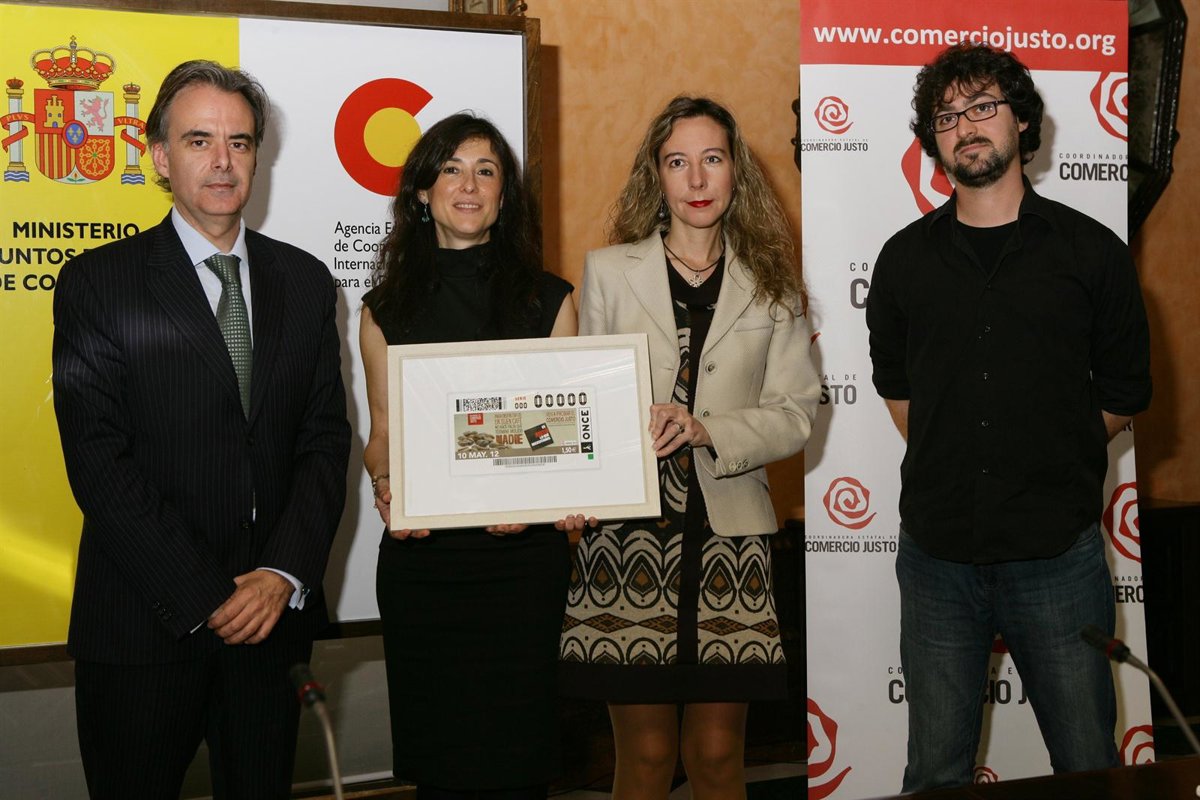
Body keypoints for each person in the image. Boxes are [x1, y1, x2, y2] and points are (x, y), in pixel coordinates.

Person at [52, 60, 351, 799]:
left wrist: (282, 575)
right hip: (143, 628)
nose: (222, 161)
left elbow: (323, 442)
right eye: (199, 140)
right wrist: (205, 594)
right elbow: (98, 461)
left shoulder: (306, 281)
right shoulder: (98, 283)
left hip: (270, 628)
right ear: (159, 156)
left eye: (239, 142)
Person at [865, 43, 1152, 791]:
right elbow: (898, 388)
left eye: (982, 106)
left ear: (1021, 120)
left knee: (1087, 766)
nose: (965, 126)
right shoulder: (903, 260)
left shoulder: (1092, 253)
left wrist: (1052, 453)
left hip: (1058, 556)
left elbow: (1124, 391)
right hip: (937, 558)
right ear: (933, 142)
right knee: (935, 773)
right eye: (946, 116)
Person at [557, 96, 820, 799]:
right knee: (644, 758)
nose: (697, 179)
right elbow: (581, 402)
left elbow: (795, 415)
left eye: (712, 159)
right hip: (627, 537)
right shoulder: (609, 271)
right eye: (678, 162)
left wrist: (709, 430)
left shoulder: (774, 283)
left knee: (716, 755)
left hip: (731, 537)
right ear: (657, 174)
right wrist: (573, 491)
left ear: (736, 172)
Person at [359, 113, 577, 799]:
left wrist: (541, 499)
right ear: (422, 192)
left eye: (486, 171)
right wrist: (387, 485)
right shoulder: (383, 308)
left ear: (504, 195)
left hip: (523, 566)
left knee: (519, 765)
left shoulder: (551, 300)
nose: (468, 185)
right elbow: (383, 434)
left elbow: (562, 433)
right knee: (442, 768)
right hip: (427, 567)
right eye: (450, 169)